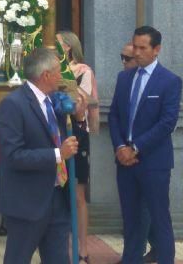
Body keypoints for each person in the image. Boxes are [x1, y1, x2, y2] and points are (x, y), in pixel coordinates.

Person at [0, 47, 86, 264]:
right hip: (27, 200)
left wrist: (78, 117)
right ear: (46, 75)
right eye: (58, 71)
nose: (61, 76)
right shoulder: (13, 104)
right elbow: (13, 155)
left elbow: (61, 137)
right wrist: (57, 154)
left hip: (57, 196)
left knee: (58, 259)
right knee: (18, 259)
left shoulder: (53, 101)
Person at [108, 26, 182, 264]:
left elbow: (167, 122)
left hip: (153, 162)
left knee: (159, 219)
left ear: (156, 49)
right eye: (135, 46)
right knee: (131, 220)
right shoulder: (124, 77)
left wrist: (136, 147)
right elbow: (114, 116)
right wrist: (120, 147)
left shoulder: (169, 81)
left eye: (143, 48)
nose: (136, 53)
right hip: (125, 161)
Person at [57, 30, 99, 264]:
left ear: (69, 48)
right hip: (56, 133)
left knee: (77, 193)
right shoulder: (50, 72)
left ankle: (82, 248)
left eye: (59, 44)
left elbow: (83, 101)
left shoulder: (83, 71)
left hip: (77, 131)